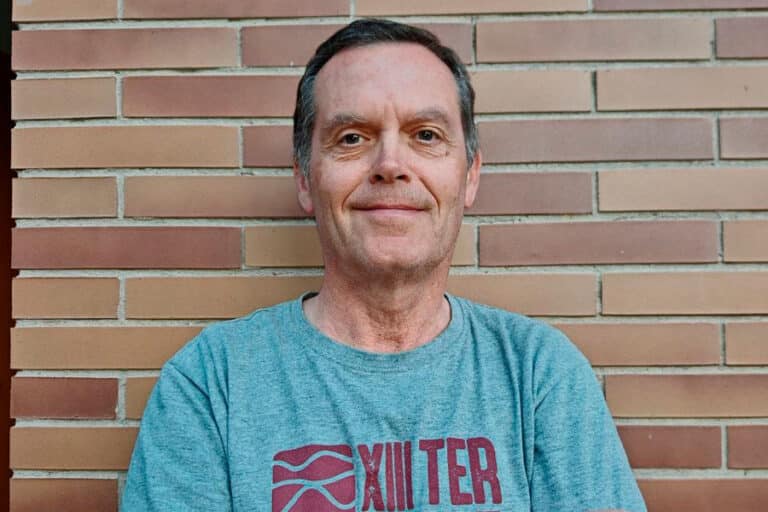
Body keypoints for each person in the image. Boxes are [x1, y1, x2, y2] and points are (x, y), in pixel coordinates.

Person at [122, 19, 646, 512]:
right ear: (304, 179)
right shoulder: (211, 385)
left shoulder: (538, 376)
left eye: (426, 135)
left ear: (469, 176)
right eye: (352, 138)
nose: (391, 165)